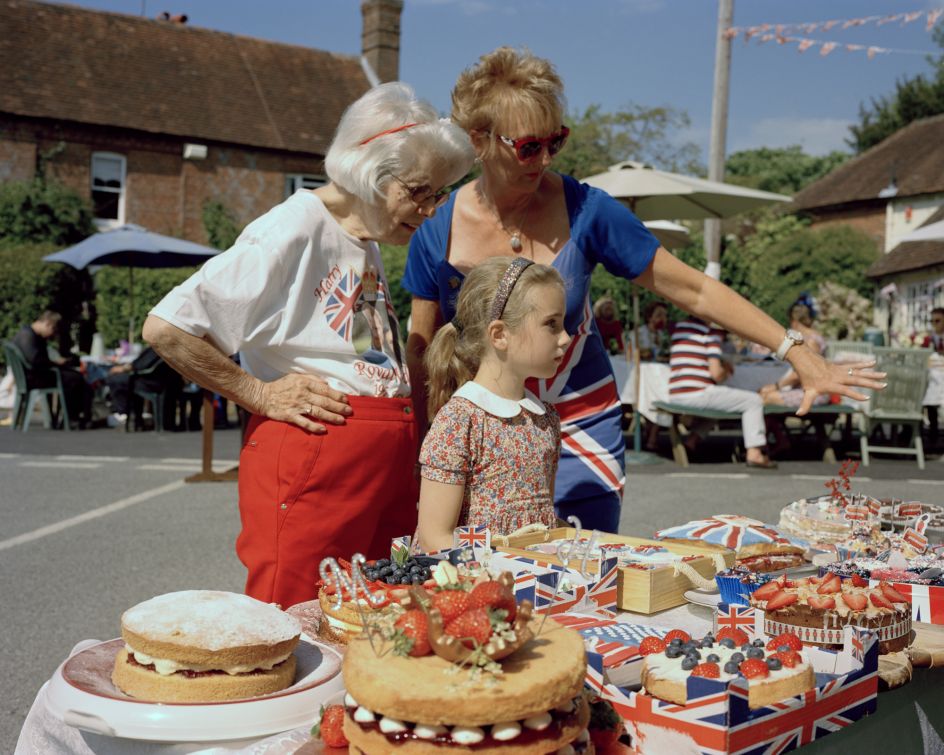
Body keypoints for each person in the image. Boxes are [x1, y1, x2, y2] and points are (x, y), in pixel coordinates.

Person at [403, 47, 884, 532]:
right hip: (484, 429)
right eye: (529, 147)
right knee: (485, 564)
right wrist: (423, 451)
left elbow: (694, 290)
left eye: (557, 141)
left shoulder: (587, 209)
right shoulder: (436, 231)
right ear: (479, 140)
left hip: (580, 417)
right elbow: (421, 353)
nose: (545, 159)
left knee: (583, 562)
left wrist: (796, 351)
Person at [142, 82, 475, 608]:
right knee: (293, 614)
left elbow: (354, 350)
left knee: (366, 618)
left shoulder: (362, 235)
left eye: (438, 195)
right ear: (369, 172)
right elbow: (167, 327)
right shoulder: (291, 227)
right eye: (419, 192)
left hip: (368, 458)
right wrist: (258, 392)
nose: (430, 209)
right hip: (317, 458)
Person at [416, 257, 568, 552]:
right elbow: (434, 538)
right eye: (551, 324)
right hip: (474, 577)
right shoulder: (461, 421)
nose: (566, 337)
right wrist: (496, 570)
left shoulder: (546, 418)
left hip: (531, 576)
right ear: (499, 335)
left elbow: (542, 523)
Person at [668, 316, 778, 468]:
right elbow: (716, 374)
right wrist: (726, 369)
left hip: (676, 394)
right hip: (697, 393)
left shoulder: (680, 328)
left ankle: (692, 441)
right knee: (753, 400)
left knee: (722, 405)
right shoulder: (710, 332)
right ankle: (755, 453)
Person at [13, 310, 93, 428]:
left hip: (31, 376)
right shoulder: (28, 336)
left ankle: (72, 417)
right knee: (75, 379)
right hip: (34, 378)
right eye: (53, 329)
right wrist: (55, 363)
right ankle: (73, 417)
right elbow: (36, 361)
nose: (53, 334)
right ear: (48, 323)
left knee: (73, 375)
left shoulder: (27, 334)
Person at [104, 347, 183, 429]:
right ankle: (134, 417)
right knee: (122, 380)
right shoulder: (170, 349)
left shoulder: (157, 348)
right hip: (162, 381)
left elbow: (139, 365)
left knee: (115, 380)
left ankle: (123, 413)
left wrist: (122, 369)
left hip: (151, 382)